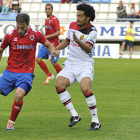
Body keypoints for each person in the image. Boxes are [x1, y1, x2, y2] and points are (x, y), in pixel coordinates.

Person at [0, 13, 59, 130]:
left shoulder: (36, 35)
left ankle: (11, 122)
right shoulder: (10, 36)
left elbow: (48, 45)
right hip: (10, 72)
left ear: (28, 24)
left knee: (19, 95)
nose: (20, 30)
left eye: (23, 27)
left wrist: (53, 50)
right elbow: (1, 49)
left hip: (26, 73)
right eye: (18, 27)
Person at [55, 3, 101, 130]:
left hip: (85, 64)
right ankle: (74, 115)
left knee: (85, 88)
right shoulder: (72, 25)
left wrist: (79, 41)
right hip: (71, 63)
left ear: (87, 18)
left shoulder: (92, 31)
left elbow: (88, 48)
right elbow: (67, 41)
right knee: (59, 84)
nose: (77, 18)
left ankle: (95, 120)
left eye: (80, 16)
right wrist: (55, 49)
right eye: (77, 15)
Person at [36, 3, 62, 85]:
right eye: (46, 9)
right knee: (38, 59)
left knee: (53, 62)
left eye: (49, 9)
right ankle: (49, 75)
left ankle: (62, 76)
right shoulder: (46, 20)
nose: (47, 10)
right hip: (46, 43)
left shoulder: (54, 19)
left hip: (54, 44)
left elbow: (58, 32)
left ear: (52, 10)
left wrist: (46, 36)